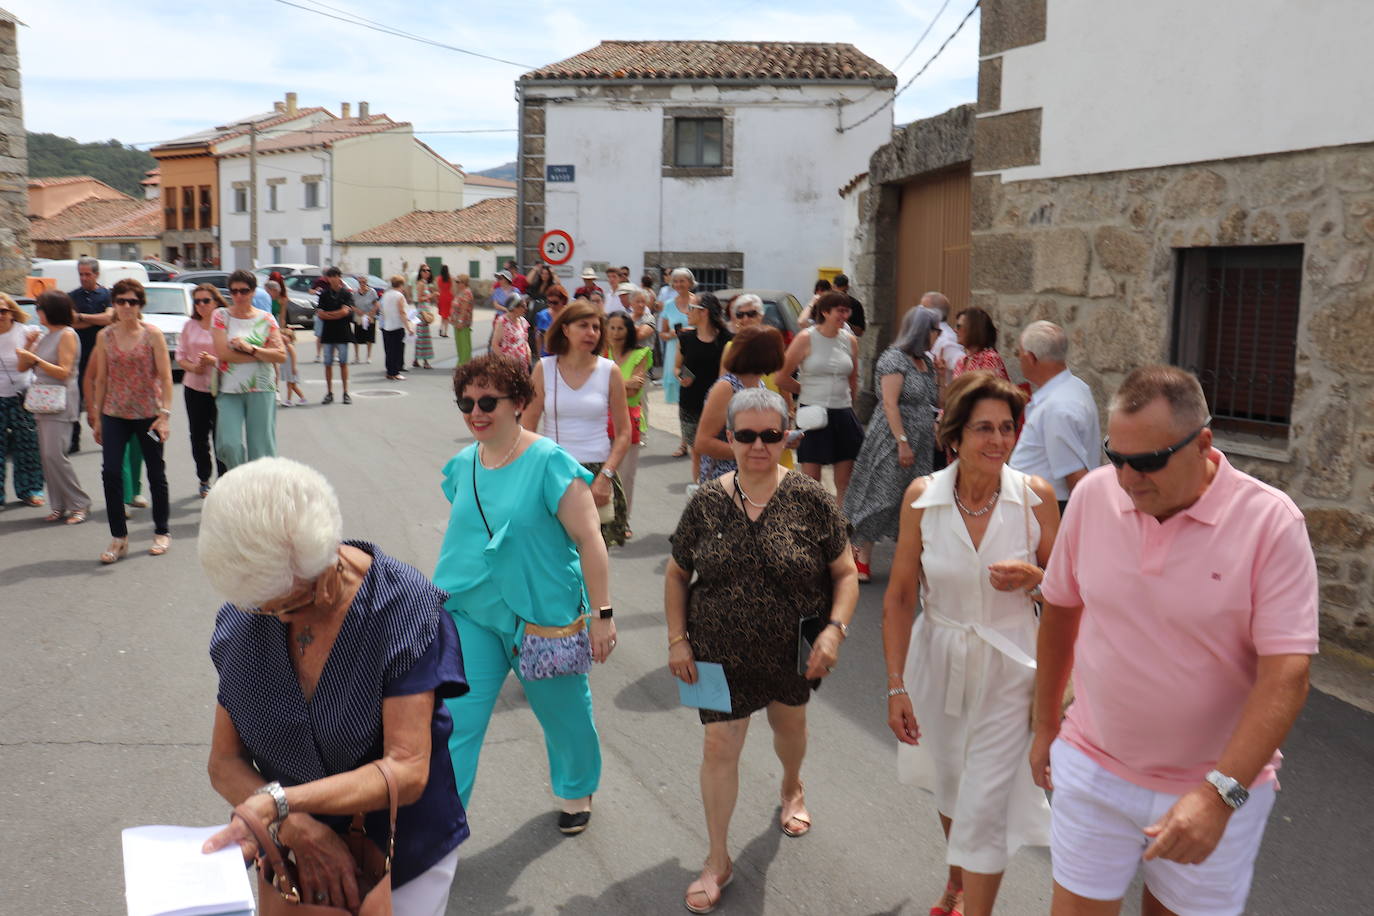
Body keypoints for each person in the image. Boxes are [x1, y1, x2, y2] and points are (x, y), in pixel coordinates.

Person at [1030, 365, 1318, 916]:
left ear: (1203, 444)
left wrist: (1218, 796)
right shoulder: (1093, 497)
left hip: (1216, 786)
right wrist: (1045, 725)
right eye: (1116, 458)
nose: (1128, 479)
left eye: (1149, 462)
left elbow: (1288, 675)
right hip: (1094, 767)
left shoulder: (1271, 523)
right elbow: (1061, 611)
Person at [198, 458, 470, 915]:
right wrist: (294, 827)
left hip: (399, 851)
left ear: (328, 557)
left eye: (294, 603)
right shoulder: (249, 616)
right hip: (294, 858)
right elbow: (224, 761)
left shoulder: (402, 610)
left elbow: (407, 768)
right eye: (268, 610)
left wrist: (277, 804)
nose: (281, 619)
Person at [666, 387, 859, 915]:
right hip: (715, 652)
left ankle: (792, 786)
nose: (757, 445)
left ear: (786, 437)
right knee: (718, 748)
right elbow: (678, 573)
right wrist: (677, 638)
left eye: (770, 435)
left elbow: (845, 573)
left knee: (788, 730)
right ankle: (717, 859)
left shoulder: (811, 498)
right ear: (729, 437)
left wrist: (834, 630)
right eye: (746, 435)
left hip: (791, 652)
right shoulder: (706, 502)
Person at [883, 370, 1058, 916]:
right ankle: (957, 881)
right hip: (936, 658)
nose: (999, 440)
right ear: (954, 436)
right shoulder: (923, 498)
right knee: (950, 780)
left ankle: (971, 904)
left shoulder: (1035, 499)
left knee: (984, 802)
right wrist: (896, 686)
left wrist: (1037, 579)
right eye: (984, 427)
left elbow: (1072, 597)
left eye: (1007, 428)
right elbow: (899, 596)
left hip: (1011, 668)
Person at [435, 354, 616, 833]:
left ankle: (578, 790)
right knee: (455, 724)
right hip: (471, 613)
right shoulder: (462, 465)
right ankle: (439, 828)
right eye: (467, 402)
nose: (476, 411)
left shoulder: (549, 462)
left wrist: (602, 614)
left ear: (518, 403)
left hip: (542, 617)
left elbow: (590, 539)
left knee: (564, 715)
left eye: (488, 401)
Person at [844, 306, 943, 582]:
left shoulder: (927, 362)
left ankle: (913, 557)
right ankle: (859, 554)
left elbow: (934, 401)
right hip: (892, 438)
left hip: (921, 440)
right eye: (936, 329)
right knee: (881, 495)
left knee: (914, 499)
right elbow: (889, 403)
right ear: (923, 330)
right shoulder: (894, 359)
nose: (938, 335)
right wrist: (902, 442)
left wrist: (943, 379)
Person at [522, 300, 633, 547]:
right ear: (565, 329)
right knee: (551, 555)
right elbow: (527, 428)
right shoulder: (544, 369)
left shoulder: (609, 371)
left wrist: (606, 475)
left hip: (597, 474)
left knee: (592, 559)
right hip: (553, 470)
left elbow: (624, 433)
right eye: (583, 325)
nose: (591, 332)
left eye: (596, 327)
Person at [85, 278, 175, 564]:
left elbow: (166, 376)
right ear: (114, 304)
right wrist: (98, 418)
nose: (126, 306)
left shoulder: (152, 335)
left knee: (155, 474)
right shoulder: (105, 336)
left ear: (140, 305)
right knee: (110, 473)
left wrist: (165, 415)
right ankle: (118, 538)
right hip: (114, 414)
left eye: (132, 301)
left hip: (148, 415)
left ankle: (161, 531)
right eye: (121, 301)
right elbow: (101, 379)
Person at [778, 291, 863, 507]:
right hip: (813, 411)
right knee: (811, 478)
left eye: (847, 310)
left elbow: (853, 379)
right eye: (840, 310)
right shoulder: (806, 337)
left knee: (845, 479)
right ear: (825, 312)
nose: (844, 315)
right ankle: (810, 525)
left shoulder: (850, 340)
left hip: (842, 412)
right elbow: (782, 377)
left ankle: (840, 527)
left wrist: (851, 406)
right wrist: (806, 391)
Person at [1009, 321, 1100, 515]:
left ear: (1030, 357)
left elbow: (1074, 473)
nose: (1018, 359)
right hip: (1042, 504)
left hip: (1046, 509)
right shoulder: (1075, 387)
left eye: (1019, 354)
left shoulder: (1057, 406)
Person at [16, 292, 89, 522]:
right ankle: (58, 504)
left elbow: (64, 371)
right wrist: (28, 346)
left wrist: (35, 359)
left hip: (60, 399)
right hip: (43, 400)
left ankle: (79, 503)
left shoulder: (67, 334)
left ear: (51, 310)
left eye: (40, 308)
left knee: (55, 455)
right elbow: (21, 368)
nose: (38, 313)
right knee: (47, 457)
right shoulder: (44, 336)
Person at [212, 270, 286, 470]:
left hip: (261, 387)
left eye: (244, 291)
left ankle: (261, 492)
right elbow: (223, 354)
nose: (238, 296)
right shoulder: (220, 316)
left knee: (261, 448)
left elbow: (280, 355)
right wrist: (261, 355)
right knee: (229, 443)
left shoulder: (267, 319)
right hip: (229, 388)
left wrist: (250, 348)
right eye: (234, 291)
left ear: (253, 292)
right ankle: (240, 480)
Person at [695, 325, 788, 483]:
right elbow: (703, 442)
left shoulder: (759, 385)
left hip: (753, 478)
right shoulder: (726, 388)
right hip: (726, 480)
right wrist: (749, 451)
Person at [175, 284, 228, 498]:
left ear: (216, 301)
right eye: (197, 301)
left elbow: (231, 355)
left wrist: (214, 361)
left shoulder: (224, 323)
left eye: (206, 300)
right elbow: (180, 355)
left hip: (222, 387)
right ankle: (204, 478)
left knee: (222, 437)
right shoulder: (190, 325)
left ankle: (225, 480)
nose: (202, 305)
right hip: (194, 387)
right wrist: (193, 367)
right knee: (198, 436)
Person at [676, 293, 732, 488]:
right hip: (690, 402)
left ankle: (717, 487)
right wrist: (682, 375)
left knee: (716, 450)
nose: (686, 312)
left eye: (691, 308)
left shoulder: (727, 339)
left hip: (719, 406)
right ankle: (699, 491)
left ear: (704, 312)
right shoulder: (685, 337)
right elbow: (677, 366)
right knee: (697, 451)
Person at [604, 311, 651, 533]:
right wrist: (625, 382)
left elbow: (636, 388)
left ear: (629, 330)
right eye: (611, 328)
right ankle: (604, 516)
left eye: (620, 328)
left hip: (629, 418)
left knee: (626, 475)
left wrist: (609, 384)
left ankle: (623, 520)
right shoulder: (602, 353)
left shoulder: (641, 353)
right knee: (600, 470)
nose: (615, 333)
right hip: (601, 417)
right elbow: (627, 385)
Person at [0, 297, 47, 511]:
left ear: (11, 312)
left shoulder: (26, 332)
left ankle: (31, 491)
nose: (0, 315)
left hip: (22, 396)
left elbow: (32, 363)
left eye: (2, 310)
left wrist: (29, 344)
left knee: (27, 446)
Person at [68, 256, 113, 453]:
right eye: (81, 274)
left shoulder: (107, 295)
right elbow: (70, 321)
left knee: (106, 394)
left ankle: (107, 434)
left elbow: (110, 318)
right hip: (78, 353)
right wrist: (96, 319)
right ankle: (73, 438)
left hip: (103, 352)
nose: (84, 278)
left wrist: (82, 317)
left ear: (96, 274)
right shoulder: (72, 296)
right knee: (76, 396)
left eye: (88, 274)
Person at [659, 268, 695, 429]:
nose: (679, 284)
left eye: (682, 281)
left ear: (690, 283)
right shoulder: (668, 305)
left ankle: (695, 440)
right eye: (676, 281)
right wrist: (673, 334)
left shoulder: (698, 302)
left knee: (694, 393)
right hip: (675, 354)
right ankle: (684, 442)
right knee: (681, 399)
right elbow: (662, 334)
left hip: (694, 354)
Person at [317, 267, 355, 402]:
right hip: (328, 333)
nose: (332, 279)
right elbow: (320, 314)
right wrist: (336, 314)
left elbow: (345, 312)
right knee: (328, 363)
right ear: (327, 278)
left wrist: (329, 315)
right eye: (330, 276)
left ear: (339, 277)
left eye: (335, 276)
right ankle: (329, 392)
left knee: (343, 363)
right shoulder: (324, 294)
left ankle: (345, 392)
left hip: (342, 332)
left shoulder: (346, 294)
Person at [953, 307, 1009, 380]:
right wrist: (942, 375)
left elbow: (991, 390)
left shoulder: (989, 359)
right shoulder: (961, 361)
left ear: (973, 329)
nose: (955, 330)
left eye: (959, 326)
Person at [923, 291, 965, 388]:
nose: (918, 312)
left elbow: (964, 369)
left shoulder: (946, 340)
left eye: (923, 308)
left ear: (935, 313)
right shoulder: (932, 334)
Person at [379, 275, 412, 381]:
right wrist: (409, 327)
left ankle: (389, 372)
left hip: (387, 326)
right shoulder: (399, 296)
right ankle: (395, 373)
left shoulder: (386, 295)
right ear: (401, 285)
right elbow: (402, 312)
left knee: (389, 351)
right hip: (397, 326)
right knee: (397, 351)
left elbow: (382, 309)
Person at [491, 295, 531, 367]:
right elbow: (495, 344)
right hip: (508, 365)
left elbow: (525, 341)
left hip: (523, 364)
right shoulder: (502, 322)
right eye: (523, 306)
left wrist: (528, 354)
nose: (526, 308)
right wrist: (504, 360)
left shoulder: (523, 321)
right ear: (514, 307)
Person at [533, 285, 568, 358]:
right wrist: (540, 356)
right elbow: (539, 337)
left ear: (563, 300)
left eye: (555, 302)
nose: (551, 305)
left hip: (565, 354)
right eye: (549, 302)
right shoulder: (542, 315)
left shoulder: (569, 314)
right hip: (547, 354)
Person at [353, 275, 379, 362]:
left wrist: (370, 313)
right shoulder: (355, 293)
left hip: (369, 316)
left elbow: (376, 304)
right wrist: (356, 310)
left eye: (363, 282)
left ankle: (368, 356)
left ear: (366, 283)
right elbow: (352, 305)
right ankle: (356, 356)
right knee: (356, 336)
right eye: (360, 282)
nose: (362, 284)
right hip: (359, 316)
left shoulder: (372, 292)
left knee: (369, 336)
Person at [279, 326, 306, 407]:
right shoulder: (284, 347)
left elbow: (294, 357)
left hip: (290, 369)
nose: (283, 338)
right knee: (293, 386)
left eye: (285, 336)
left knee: (290, 385)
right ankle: (302, 398)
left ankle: (289, 400)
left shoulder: (290, 346)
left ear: (290, 338)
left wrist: (293, 367)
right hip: (287, 368)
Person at [451, 273, 475, 365]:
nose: (456, 284)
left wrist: (460, 321)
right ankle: (461, 361)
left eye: (458, 282)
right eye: (456, 282)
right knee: (459, 343)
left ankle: (465, 363)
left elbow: (464, 309)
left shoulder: (466, 293)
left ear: (463, 283)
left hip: (463, 321)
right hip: (457, 321)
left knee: (464, 343)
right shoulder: (460, 292)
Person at [435, 264, 453, 338]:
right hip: (449, 297)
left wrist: (437, 299)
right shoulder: (450, 278)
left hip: (441, 296)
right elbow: (452, 288)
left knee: (443, 315)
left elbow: (438, 289)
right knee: (447, 316)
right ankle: (445, 332)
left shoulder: (438, 278)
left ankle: (441, 328)